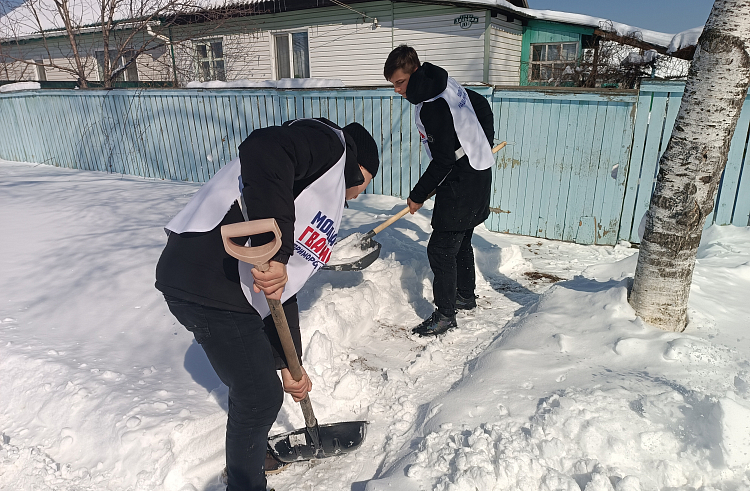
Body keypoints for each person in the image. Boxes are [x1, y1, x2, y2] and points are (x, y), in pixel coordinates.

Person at [155, 118, 379, 491]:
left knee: (260, 388)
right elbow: (263, 147)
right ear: (362, 169)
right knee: (259, 395)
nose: (356, 196)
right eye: (364, 184)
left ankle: (251, 457)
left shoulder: (312, 181)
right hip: (209, 278)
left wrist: (289, 362)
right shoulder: (329, 144)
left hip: (216, 282)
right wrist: (277, 250)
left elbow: (282, 286)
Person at [384, 45, 495, 337]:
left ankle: (446, 315)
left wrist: (417, 195)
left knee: (441, 248)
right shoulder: (444, 84)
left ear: (415, 71)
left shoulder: (433, 104)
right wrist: (481, 144)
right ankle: (465, 296)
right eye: (393, 85)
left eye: (400, 83)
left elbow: (444, 159)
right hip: (477, 171)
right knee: (460, 240)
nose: (397, 91)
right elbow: (481, 104)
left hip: (461, 181)